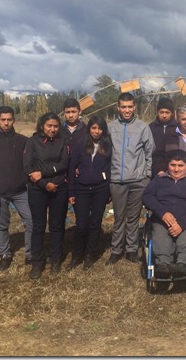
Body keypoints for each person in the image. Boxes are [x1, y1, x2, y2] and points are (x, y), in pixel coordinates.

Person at [142, 149, 186, 278]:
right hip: (163, 218)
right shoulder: (159, 179)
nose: (176, 169)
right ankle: (163, 264)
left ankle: (184, 264)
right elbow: (147, 196)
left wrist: (181, 224)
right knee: (160, 235)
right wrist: (163, 213)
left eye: (180, 166)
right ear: (167, 165)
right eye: (173, 165)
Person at [107, 92, 155, 265]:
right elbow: (105, 153)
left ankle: (131, 249)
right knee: (119, 217)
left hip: (137, 181)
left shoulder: (143, 127)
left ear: (134, 107)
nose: (126, 110)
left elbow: (150, 152)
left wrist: (147, 175)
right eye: (123, 107)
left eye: (130, 107)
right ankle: (116, 250)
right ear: (118, 108)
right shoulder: (111, 127)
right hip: (117, 181)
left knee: (134, 217)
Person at [0, 106, 33, 271]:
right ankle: (5, 254)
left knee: (31, 221)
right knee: (1, 225)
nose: (6, 123)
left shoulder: (23, 141)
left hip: (21, 191)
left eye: (9, 120)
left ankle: (31, 254)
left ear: (13, 120)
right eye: (3, 120)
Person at [23, 112, 70, 279]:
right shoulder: (32, 142)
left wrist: (43, 173)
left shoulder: (63, 140)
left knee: (57, 226)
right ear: (42, 125)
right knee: (38, 226)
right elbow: (28, 167)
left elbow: (64, 163)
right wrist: (44, 183)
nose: (52, 129)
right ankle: (37, 262)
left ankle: (55, 259)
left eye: (56, 126)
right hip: (38, 189)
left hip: (59, 188)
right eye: (49, 126)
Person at [66, 115, 112, 271]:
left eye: (100, 128)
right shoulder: (80, 145)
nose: (97, 131)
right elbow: (72, 168)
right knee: (81, 224)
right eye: (94, 128)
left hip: (100, 189)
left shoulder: (107, 145)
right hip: (82, 189)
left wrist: (108, 190)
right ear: (89, 129)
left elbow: (110, 167)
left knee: (95, 223)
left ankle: (89, 255)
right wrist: (71, 191)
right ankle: (76, 255)